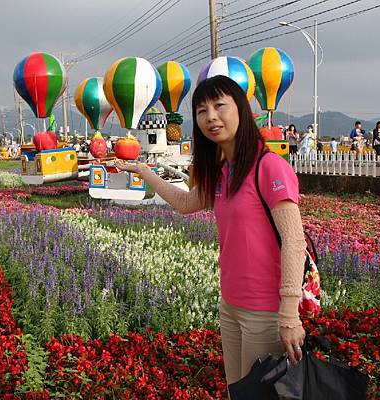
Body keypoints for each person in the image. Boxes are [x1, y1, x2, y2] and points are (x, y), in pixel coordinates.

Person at [116, 75, 307, 387]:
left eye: (220, 106)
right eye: (202, 110)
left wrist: (288, 313)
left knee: (259, 396)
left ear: (241, 110)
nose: (211, 117)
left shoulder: (269, 166)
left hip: (265, 312)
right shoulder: (223, 172)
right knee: (239, 391)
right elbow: (185, 202)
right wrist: (143, 171)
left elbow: (293, 238)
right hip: (231, 305)